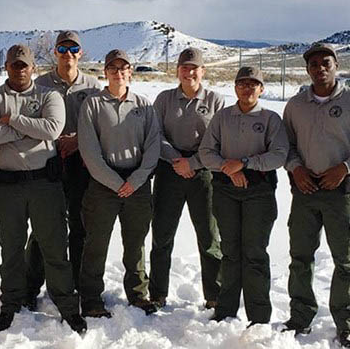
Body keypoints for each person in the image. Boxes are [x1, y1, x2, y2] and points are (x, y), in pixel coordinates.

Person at [0, 44, 87, 334]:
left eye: (25, 65)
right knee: (10, 249)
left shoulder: (48, 95)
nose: (20, 69)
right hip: (6, 185)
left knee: (54, 247)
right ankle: (11, 303)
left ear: (34, 68)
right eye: (15, 65)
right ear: (7, 67)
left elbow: (51, 129)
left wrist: (11, 121)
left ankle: (66, 306)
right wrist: (30, 129)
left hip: (44, 185)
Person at [282, 43, 350, 348]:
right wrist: (296, 168)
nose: (320, 68)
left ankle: (347, 323)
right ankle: (300, 316)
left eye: (326, 62)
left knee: (346, 261)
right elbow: (284, 147)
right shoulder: (296, 105)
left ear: (336, 65)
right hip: (305, 193)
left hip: (341, 195)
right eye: (313, 64)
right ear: (307, 70)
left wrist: (345, 168)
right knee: (300, 258)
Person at [199, 66, 288, 326]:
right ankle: (226, 311)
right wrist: (229, 167)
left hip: (259, 192)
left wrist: (246, 163)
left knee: (255, 253)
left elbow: (279, 155)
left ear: (262, 89)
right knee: (230, 251)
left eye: (253, 84)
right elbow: (206, 152)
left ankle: (259, 317)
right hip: (226, 190)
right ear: (235, 87)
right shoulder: (222, 117)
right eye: (242, 83)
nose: (247, 88)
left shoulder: (271, 119)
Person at [77, 49, 160, 318]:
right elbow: (89, 150)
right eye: (112, 68)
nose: (118, 72)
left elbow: (153, 146)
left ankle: (137, 293)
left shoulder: (144, 105)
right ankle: (90, 298)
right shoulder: (93, 104)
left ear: (130, 72)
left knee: (135, 242)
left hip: (137, 183)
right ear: (105, 72)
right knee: (96, 243)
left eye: (123, 68)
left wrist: (135, 180)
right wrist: (115, 183)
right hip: (104, 184)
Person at [24, 30, 103, 309]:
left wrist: (78, 140)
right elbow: (29, 121)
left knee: (80, 225)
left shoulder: (93, 86)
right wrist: (55, 140)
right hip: (48, 161)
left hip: (83, 164)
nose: (67, 54)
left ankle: (79, 285)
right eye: (62, 49)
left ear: (80, 53)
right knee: (44, 226)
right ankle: (31, 286)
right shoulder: (41, 84)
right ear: (55, 52)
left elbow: (101, 126)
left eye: (73, 49)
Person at [148, 48, 223, 310]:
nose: (189, 72)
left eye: (194, 68)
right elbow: (155, 134)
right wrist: (176, 161)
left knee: (209, 236)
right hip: (170, 170)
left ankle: (214, 295)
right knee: (162, 235)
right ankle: (157, 293)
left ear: (202, 71)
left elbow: (216, 140)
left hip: (204, 173)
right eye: (184, 67)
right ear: (177, 70)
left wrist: (192, 163)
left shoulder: (215, 101)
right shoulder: (165, 99)